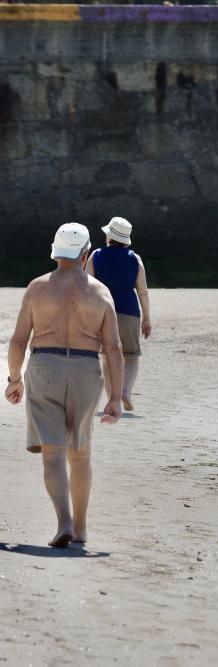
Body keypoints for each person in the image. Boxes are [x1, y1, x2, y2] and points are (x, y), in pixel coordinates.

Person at [5, 222, 124, 548]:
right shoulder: (100, 292)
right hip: (87, 370)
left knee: (53, 453)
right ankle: (81, 530)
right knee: (80, 453)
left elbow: (18, 341)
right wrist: (115, 398)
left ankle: (64, 522)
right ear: (86, 253)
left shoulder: (37, 288)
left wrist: (14, 380)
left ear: (56, 253)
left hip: (45, 365)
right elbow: (113, 348)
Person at [85, 217, 152, 412]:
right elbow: (143, 291)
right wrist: (146, 318)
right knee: (131, 356)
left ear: (108, 235)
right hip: (130, 311)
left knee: (107, 355)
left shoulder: (96, 255)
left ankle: (111, 398)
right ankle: (125, 392)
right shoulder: (135, 258)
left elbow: (86, 285)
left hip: (103, 311)